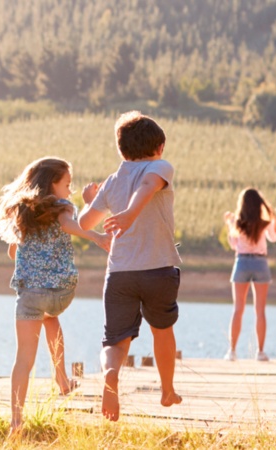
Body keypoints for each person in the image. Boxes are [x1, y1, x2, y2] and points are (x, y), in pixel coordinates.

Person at [0, 157, 111, 436]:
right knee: (51, 318)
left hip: (29, 294)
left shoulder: (23, 212)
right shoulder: (63, 207)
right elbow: (70, 225)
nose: (70, 191)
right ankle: (63, 381)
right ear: (52, 183)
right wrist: (97, 237)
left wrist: (30, 254)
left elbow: (13, 252)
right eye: (67, 185)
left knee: (23, 359)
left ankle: (16, 422)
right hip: (59, 292)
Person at [78, 111, 183, 422]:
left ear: (120, 149)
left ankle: (111, 375)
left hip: (120, 273)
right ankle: (167, 390)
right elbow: (149, 185)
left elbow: (85, 223)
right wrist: (130, 213)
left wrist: (90, 200)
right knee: (162, 331)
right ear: (160, 146)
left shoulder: (112, 180)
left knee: (114, 338)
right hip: (159, 269)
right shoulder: (160, 166)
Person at [223, 188, 276, 362]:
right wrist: (273, 219)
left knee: (238, 310)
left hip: (242, 262)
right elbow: (274, 238)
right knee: (260, 310)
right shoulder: (264, 222)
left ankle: (232, 351)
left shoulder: (237, 222)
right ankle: (260, 352)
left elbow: (233, 244)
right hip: (260, 263)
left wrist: (228, 224)